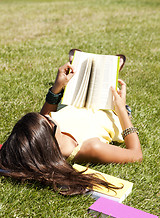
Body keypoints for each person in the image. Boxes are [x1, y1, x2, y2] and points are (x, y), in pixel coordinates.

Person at [0, 51, 142, 196]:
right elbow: (136, 155)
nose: (48, 116)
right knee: (101, 69)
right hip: (109, 108)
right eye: (49, 120)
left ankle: (93, 68)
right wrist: (121, 108)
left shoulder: (49, 137)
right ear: (48, 140)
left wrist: (57, 87)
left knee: (84, 67)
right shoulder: (90, 148)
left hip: (77, 103)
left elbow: (43, 121)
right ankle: (107, 71)